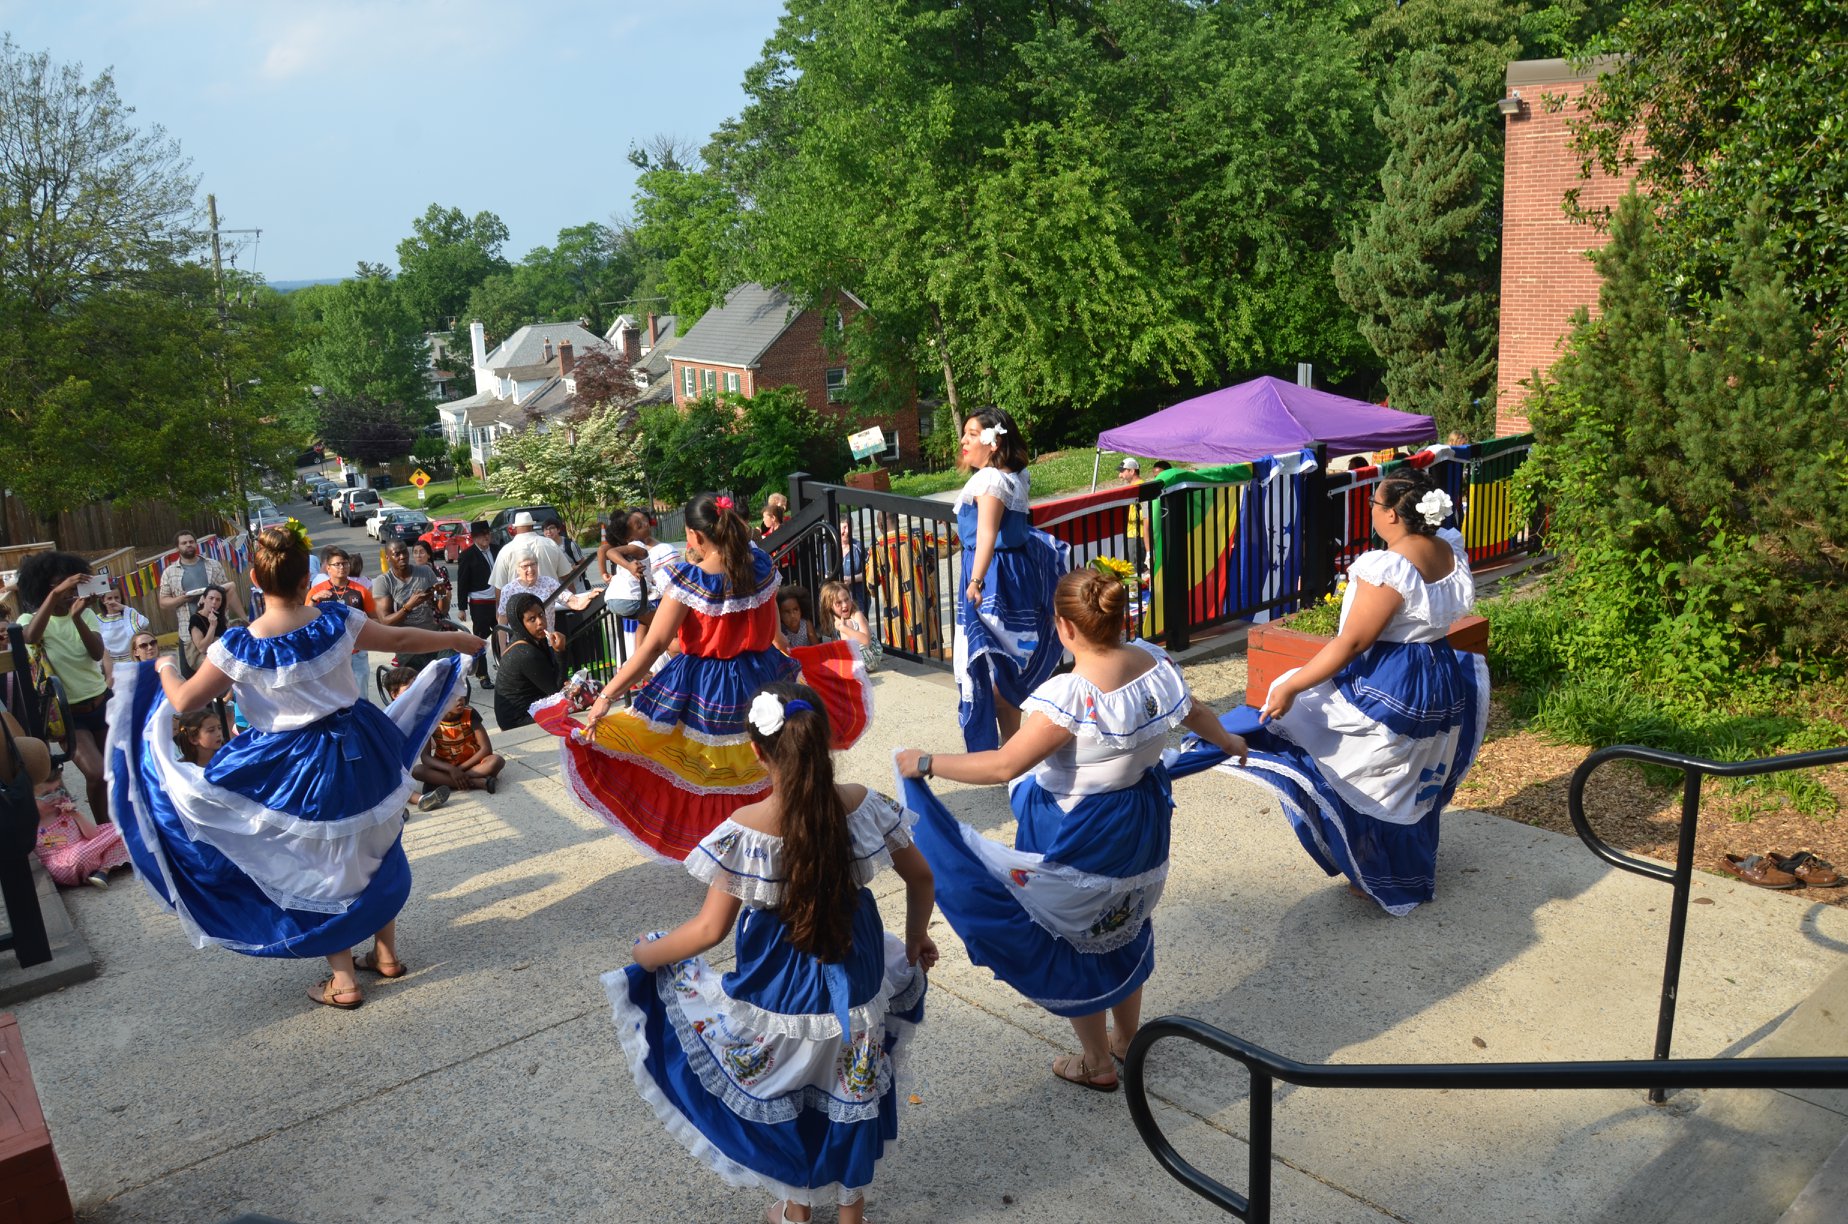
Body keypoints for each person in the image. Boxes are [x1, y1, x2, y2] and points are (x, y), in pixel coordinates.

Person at [897, 568, 1246, 1091]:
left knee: (1073, 933)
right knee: (1124, 918)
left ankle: (1096, 1060)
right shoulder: (1155, 663)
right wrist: (1230, 741)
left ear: (1064, 627)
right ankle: (1128, 1040)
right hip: (1141, 817)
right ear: (1120, 617)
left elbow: (1002, 766)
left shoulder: (1071, 696)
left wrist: (923, 761)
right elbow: (1193, 712)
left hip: (1078, 828)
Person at [109, 521, 482, 1010]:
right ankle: (386, 953)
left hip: (292, 768)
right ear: (306, 580)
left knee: (319, 864)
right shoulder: (335, 621)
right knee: (377, 841)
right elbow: (403, 641)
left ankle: (344, 980)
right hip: (361, 747)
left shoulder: (236, 648)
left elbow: (182, 700)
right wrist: (457, 642)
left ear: (255, 583)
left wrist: (160, 665)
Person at [610, 681, 935, 1224]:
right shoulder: (862, 804)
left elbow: (709, 930)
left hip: (779, 989)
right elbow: (921, 877)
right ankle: (851, 1211)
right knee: (850, 1084)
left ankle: (797, 1209)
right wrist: (918, 935)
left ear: (757, 751)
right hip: (856, 979)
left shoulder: (746, 832)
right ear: (825, 742)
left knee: (782, 1088)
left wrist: (650, 956)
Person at [543, 492, 873, 861]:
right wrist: (793, 665)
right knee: (767, 761)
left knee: (712, 773)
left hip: (708, 688)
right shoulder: (761, 566)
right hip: (762, 674)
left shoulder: (691, 579)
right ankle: (786, 835)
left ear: (694, 536)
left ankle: (734, 849)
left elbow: (653, 647)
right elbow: (775, 635)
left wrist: (606, 695)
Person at [1239, 469, 1488, 915]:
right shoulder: (1447, 547)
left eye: (1374, 503)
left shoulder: (1388, 567)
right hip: (1438, 671)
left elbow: (1352, 642)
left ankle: (1374, 871)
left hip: (1394, 678)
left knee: (1368, 769)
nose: (1371, 510)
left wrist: (1293, 684)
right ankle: (1406, 869)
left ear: (1392, 513)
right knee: (1411, 771)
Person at [951, 408, 1068, 750]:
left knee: (992, 663)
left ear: (993, 441)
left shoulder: (990, 480)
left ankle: (1012, 752)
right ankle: (1013, 747)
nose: (964, 440)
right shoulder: (1015, 476)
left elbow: (986, 535)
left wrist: (975, 582)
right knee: (1004, 661)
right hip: (1009, 571)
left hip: (991, 576)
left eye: (972, 434)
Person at [18, 552, 112, 826]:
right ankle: (105, 834)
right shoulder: (29, 619)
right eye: (63, 585)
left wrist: (77, 618)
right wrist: (56, 594)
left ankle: (117, 831)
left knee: (112, 772)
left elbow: (96, 654)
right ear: (45, 587)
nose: (70, 590)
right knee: (96, 773)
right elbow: (31, 637)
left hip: (101, 702)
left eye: (73, 585)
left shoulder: (87, 615)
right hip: (68, 713)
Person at [866, 512, 948, 659]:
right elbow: (949, 546)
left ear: (880, 526)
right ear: (897, 520)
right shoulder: (918, 535)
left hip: (895, 610)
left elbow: (871, 584)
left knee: (900, 648)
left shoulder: (876, 547)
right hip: (922, 603)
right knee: (928, 648)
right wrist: (947, 525)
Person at [308, 548, 377, 702]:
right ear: (328, 568)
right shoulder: (317, 591)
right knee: (335, 700)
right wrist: (313, 599)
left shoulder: (360, 591)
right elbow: (305, 622)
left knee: (361, 698)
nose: (342, 567)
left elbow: (375, 619)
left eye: (345, 564)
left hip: (357, 652)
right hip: (329, 654)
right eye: (337, 564)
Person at [380, 666, 452, 812]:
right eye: (410, 689)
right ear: (394, 694)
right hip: (383, 767)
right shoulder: (389, 718)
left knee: (411, 774)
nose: (417, 693)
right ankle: (419, 800)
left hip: (403, 767)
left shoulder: (422, 711)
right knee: (393, 779)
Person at [493, 593, 563, 732]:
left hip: (530, 708)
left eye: (541, 614)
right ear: (520, 624)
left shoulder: (532, 641)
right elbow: (557, 691)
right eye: (532, 619)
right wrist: (560, 652)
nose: (540, 622)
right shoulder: (525, 652)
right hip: (518, 720)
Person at [377, 541, 449, 671]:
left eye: (404, 552)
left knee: (449, 674)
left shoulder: (425, 571)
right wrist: (409, 606)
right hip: (407, 645)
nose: (402, 556)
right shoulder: (384, 582)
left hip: (432, 637)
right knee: (416, 686)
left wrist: (441, 594)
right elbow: (385, 621)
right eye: (396, 554)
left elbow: (442, 610)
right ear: (387, 557)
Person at [421, 686, 504, 794]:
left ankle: (441, 781)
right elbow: (425, 757)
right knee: (418, 771)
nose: (459, 699)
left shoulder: (469, 714)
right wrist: (451, 769)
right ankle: (477, 783)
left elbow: (486, 749)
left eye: (461, 694)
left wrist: (458, 769)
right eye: (453, 696)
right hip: (446, 766)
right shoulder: (430, 721)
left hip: (472, 764)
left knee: (496, 761)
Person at [157, 530, 243, 630]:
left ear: (196, 543)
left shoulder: (213, 565)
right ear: (177, 548)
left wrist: (244, 619)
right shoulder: (169, 572)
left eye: (191, 542)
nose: (188, 545)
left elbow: (229, 591)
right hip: (189, 629)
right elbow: (163, 603)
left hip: (218, 626)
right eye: (184, 543)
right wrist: (181, 599)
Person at [456, 521, 496, 688]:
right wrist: (462, 607)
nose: (485, 537)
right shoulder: (467, 555)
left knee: (504, 636)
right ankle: (482, 675)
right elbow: (462, 581)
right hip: (480, 603)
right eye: (481, 535)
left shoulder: (497, 549)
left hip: (498, 600)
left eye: (487, 533)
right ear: (474, 538)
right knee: (480, 639)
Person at [496, 554, 563, 650]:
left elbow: (571, 600)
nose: (530, 569)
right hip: (520, 645)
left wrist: (589, 597)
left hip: (547, 641)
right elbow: (502, 620)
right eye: (525, 566)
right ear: (517, 570)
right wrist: (503, 647)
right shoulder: (508, 590)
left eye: (533, 564)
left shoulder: (548, 583)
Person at [489, 511, 572, 588]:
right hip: (551, 600)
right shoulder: (550, 544)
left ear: (515, 528)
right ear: (532, 526)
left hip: (521, 602)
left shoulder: (505, 551)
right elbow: (566, 577)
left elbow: (499, 586)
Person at [818, 579, 880, 671]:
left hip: (869, 657)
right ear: (829, 606)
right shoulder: (834, 620)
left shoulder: (857, 615)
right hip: (852, 657)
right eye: (838, 603)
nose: (845, 605)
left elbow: (866, 640)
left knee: (847, 624)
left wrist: (844, 629)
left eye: (847, 599)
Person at [95, 590, 152, 663]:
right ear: (103, 600)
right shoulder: (99, 620)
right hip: (110, 663)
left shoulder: (127, 616)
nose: (113, 601)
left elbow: (144, 623)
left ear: (121, 598)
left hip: (131, 660)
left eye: (116, 598)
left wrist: (124, 608)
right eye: (109, 598)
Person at [185, 586, 229, 677]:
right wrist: (212, 626)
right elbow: (202, 648)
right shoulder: (196, 619)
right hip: (206, 663)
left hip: (221, 658)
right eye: (211, 598)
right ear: (204, 599)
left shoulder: (220, 616)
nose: (214, 602)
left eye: (218, 600)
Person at [1118, 457, 1150, 577]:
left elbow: (1146, 514)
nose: (1120, 476)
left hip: (1138, 534)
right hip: (1135, 533)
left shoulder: (1140, 488)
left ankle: (1141, 593)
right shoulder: (1136, 487)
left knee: (1137, 569)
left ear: (1132, 471)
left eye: (1122, 471)